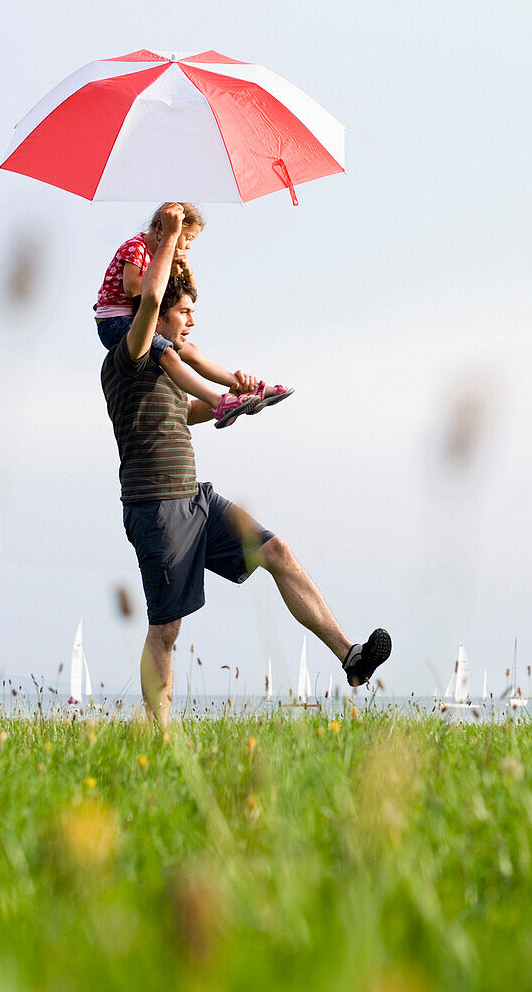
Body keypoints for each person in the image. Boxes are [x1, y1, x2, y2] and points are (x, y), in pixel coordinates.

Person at [101, 203, 391, 725]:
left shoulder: (166, 366)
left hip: (195, 498)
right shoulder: (131, 350)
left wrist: (232, 406)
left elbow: (181, 414)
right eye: (184, 311)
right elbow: (146, 298)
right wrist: (167, 236)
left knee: (276, 550)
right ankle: (158, 738)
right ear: (161, 314)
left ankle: (351, 658)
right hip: (156, 507)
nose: (191, 321)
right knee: (166, 628)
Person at [95, 202, 292, 428]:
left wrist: (185, 271)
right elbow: (131, 288)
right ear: (167, 229)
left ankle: (250, 386)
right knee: (168, 354)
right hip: (115, 322)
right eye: (187, 238)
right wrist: (166, 270)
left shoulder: (164, 255)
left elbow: (189, 293)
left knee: (192, 352)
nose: (188, 246)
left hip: (136, 316)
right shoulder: (136, 247)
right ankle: (218, 402)